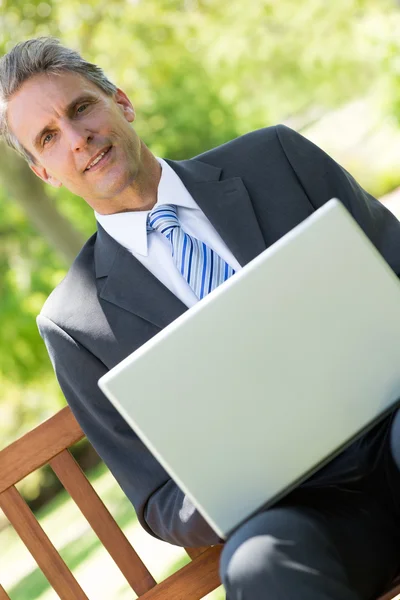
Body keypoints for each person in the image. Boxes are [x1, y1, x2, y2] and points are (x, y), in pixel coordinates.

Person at [1, 37, 400, 600]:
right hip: (305, 515)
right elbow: (157, 497)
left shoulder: (275, 159)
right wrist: (247, 470)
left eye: (81, 108)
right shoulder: (75, 324)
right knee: (258, 565)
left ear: (121, 102)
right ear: (44, 172)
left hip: (395, 423)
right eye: (47, 137)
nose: (76, 138)